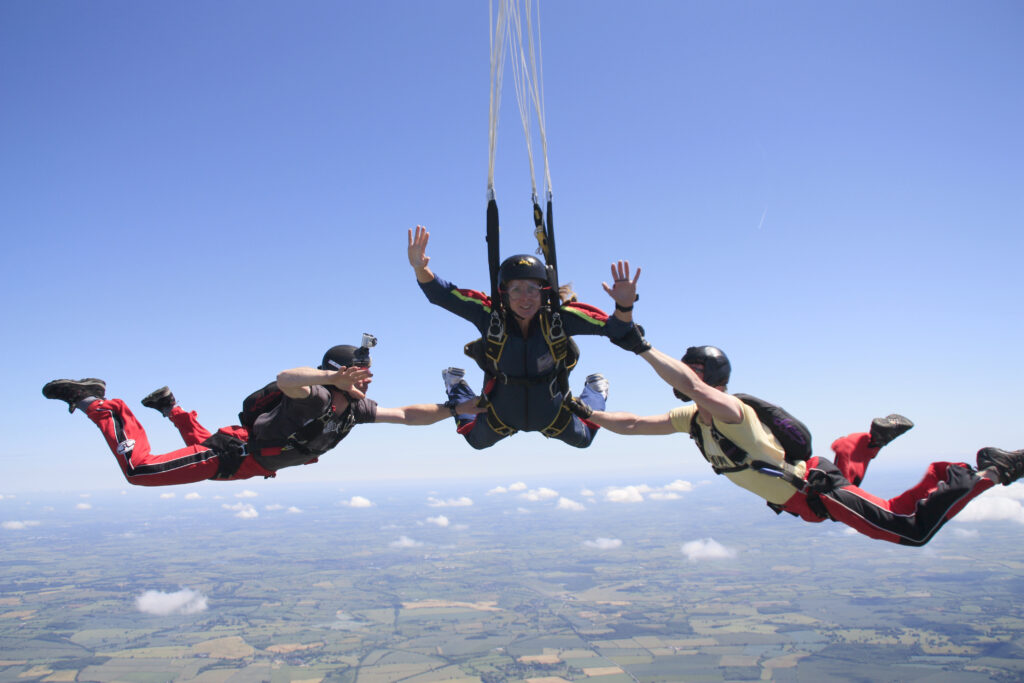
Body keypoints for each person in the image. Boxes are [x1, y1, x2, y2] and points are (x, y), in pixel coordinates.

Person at [569, 344, 1024, 547]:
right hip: (808, 498)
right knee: (872, 500)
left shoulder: (733, 414)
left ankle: (987, 470)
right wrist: (582, 411)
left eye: (694, 373)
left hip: (815, 489)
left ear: (711, 382)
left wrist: (641, 347)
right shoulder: (692, 421)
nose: (688, 379)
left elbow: (690, 385)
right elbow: (630, 424)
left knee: (910, 529)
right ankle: (872, 440)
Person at [42, 338, 483, 487]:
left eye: (367, 374)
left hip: (249, 462)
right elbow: (286, 377)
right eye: (359, 374)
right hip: (235, 454)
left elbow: (406, 415)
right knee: (140, 471)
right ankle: (99, 403)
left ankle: (169, 407)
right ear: (336, 373)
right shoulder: (315, 396)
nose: (367, 381)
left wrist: (454, 407)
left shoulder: (356, 409)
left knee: (203, 448)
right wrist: (330, 380)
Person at [407, 225, 649, 449]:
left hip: (552, 413)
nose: (525, 298)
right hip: (501, 413)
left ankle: (595, 391)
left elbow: (617, 330)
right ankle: (457, 386)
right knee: (476, 440)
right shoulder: (490, 317)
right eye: (516, 289)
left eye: (532, 289)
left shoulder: (560, 319)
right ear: (505, 294)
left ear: (543, 293)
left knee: (584, 438)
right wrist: (421, 268)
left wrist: (624, 307)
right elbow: (443, 296)